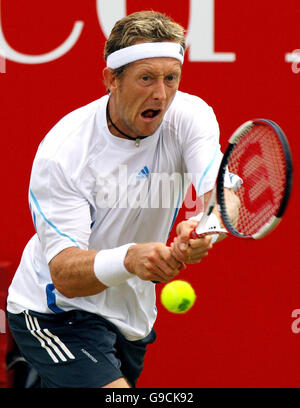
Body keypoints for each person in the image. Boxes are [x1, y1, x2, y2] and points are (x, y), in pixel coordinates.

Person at [7, 10, 239, 388]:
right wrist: (131, 257)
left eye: (171, 78)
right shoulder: (64, 152)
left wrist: (206, 230)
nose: (161, 94)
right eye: (146, 78)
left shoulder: (190, 117)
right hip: (55, 313)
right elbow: (64, 274)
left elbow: (224, 196)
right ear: (111, 79)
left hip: (130, 318)